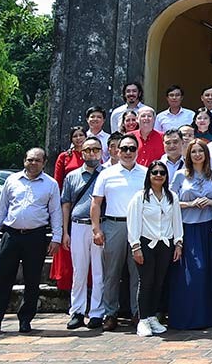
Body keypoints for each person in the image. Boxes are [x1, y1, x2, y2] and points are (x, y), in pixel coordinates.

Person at [0, 148, 63, 336]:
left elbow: (56, 213)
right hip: (11, 235)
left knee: (32, 280)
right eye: (30, 159)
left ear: (44, 162)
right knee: (2, 279)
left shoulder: (50, 184)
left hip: (36, 236)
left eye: (37, 160)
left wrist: (57, 238)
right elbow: (2, 208)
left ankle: (26, 319)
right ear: (24, 161)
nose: (33, 163)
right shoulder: (12, 181)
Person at [90, 134, 145, 331]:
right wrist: (96, 229)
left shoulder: (146, 173)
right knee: (111, 273)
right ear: (116, 151)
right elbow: (96, 203)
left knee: (137, 273)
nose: (128, 152)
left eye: (132, 148)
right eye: (124, 149)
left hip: (139, 226)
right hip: (114, 225)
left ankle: (137, 313)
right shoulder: (106, 173)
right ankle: (110, 313)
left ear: (137, 151)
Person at [169, 139, 212, 330]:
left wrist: (210, 202)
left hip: (207, 228)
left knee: (207, 273)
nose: (197, 155)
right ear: (188, 155)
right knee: (190, 274)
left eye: (201, 151)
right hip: (187, 229)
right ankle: (186, 317)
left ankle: (207, 317)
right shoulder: (181, 176)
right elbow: (170, 201)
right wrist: (190, 204)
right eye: (193, 152)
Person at [126, 161, 182, 337]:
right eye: (155, 172)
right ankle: (142, 320)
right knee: (146, 282)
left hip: (165, 244)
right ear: (149, 175)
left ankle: (152, 317)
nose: (158, 175)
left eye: (162, 173)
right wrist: (135, 246)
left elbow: (176, 221)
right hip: (146, 244)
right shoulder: (140, 197)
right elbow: (133, 222)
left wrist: (178, 243)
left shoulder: (171, 196)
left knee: (159, 282)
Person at [62, 137, 106, 329]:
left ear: (101, 151)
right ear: (82, 153)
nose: (92, 153)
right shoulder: (72, 176)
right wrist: (65, 231)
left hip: (100, 226)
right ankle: (77, 311)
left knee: (99, 271)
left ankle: (97, 312)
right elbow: (66, 205)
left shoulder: (107, 174)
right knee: (79, 271)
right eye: (87, 150)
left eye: (95, 149)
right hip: (78, 225)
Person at [51, 126, 87, 294]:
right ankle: (66, 285)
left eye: (81, 135)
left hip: (85, 207)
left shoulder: (91, 156)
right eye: (75, 136)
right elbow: (57, 182)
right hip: (67, 204)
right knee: (67, 245)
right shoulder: (64, 157)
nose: (79, 138)